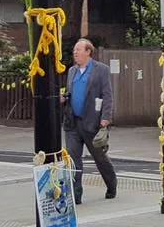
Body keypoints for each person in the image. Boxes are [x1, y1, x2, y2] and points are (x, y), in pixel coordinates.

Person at [61, 38, 117, 205]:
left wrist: (106, 117)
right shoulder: (72, 71)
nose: (75, 53)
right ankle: (76, 194)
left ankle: (111, 184)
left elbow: (107, 95)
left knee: (100, 158)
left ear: (88, 52)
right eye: (74, 51)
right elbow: (70, 92)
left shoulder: (101, 70)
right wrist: (64, 98)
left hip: (92, 122)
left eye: (78, 50)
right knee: (73, 159)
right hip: (73, 123)